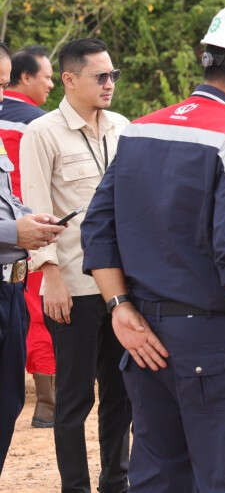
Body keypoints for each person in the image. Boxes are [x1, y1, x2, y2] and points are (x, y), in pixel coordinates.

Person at [80, 0, 225, 493]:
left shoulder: (141, 129)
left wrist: (120, 308)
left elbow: (98, 229)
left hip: (146, 341)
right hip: (216, 343)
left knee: (161, 480)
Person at [22, 39, 131, 493]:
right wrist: (51, 277)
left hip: (123, 288)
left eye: (112, 76)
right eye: (100, 76)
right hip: (73, 285)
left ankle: (116, 483)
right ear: (69, 79)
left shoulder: (123, 127)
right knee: (73, 399)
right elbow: (35, 211)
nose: (109, 84)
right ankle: (75, 487)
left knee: (121, 396)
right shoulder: (42, 133)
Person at [0, 41, 65, 477]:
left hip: (10, 287)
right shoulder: (35, 123)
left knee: (6, 406)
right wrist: (13, 233)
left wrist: (32, 220)